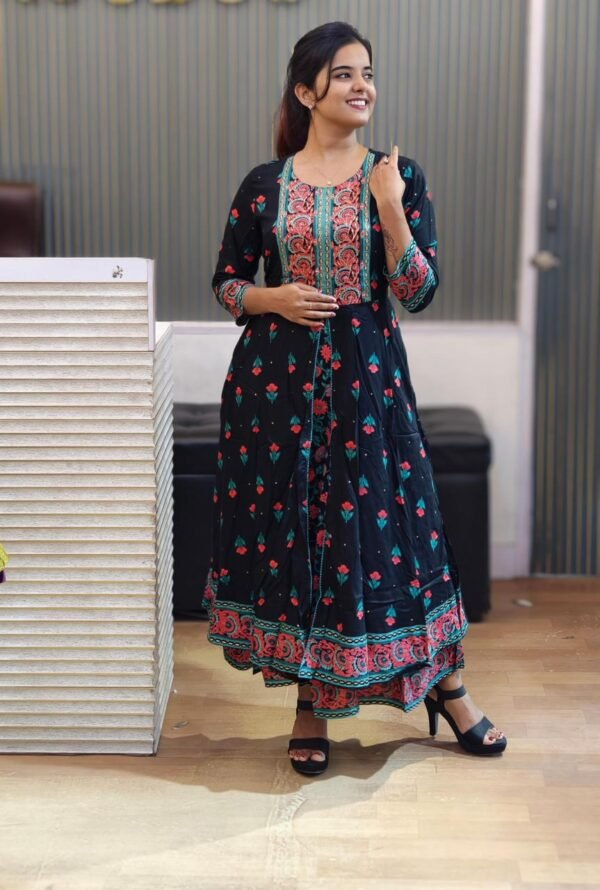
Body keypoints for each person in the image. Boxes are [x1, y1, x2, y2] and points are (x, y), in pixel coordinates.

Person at [202, 21, 507, 774]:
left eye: (367, 72)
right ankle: (310, 705)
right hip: (275, 393)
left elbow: (419, 290)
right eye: (343, 74)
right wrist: (271, 298)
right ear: (306, 92)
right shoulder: (264, 185)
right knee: (300, 541)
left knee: (405, 534)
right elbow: (227, 282)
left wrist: (391, 206)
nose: (362, 85)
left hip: (369, 389)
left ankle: (450, 690)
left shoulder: (398, 175)